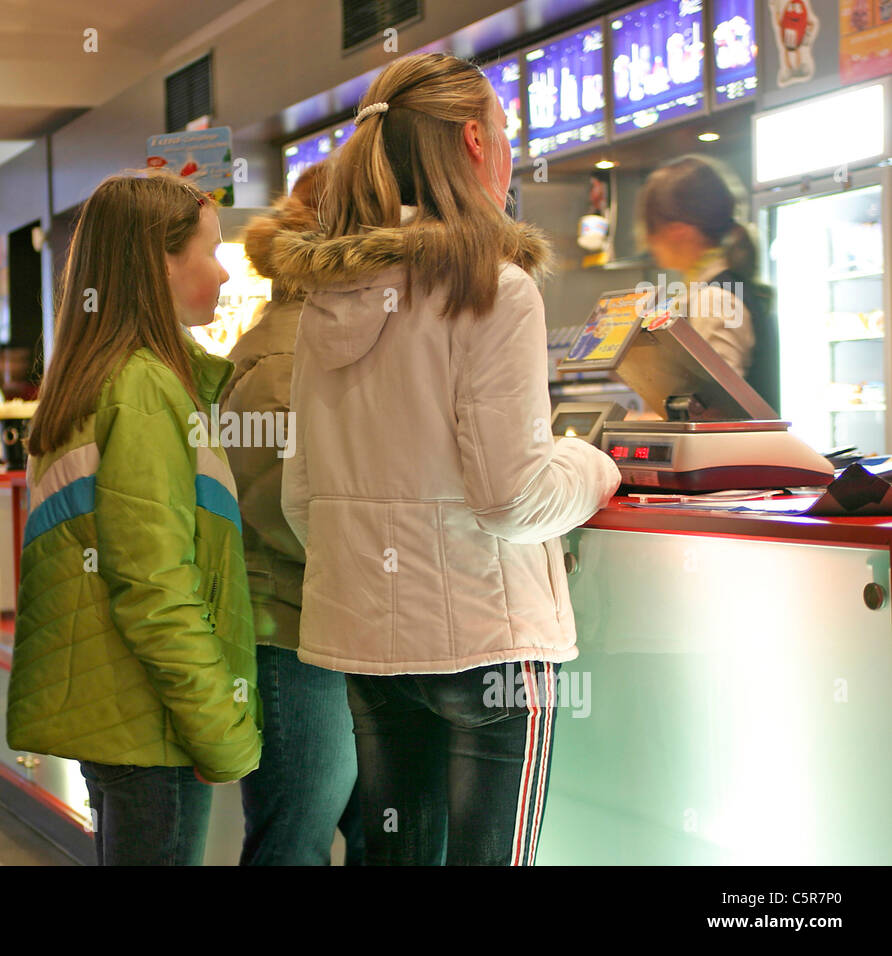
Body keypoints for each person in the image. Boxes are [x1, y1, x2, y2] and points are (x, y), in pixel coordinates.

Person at [267, 52, 621, 866]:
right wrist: (592, 465)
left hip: (363, 639)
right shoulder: (495, 287)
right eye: (505, 131)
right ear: (472, 139)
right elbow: (513, 496)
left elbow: (301, 497)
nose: (507, 149)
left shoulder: (332, 294)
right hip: (487, 642)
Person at [6, 172, 261, 866]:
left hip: (120, 712)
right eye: (210, 250)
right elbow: (155, 586)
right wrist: (220, 727)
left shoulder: (101, 376)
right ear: (159, 262)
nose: (224, 270)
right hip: (154, 720)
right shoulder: (145, 390)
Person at [224, 161, 364, 865]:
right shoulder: (286, 359)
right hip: (290, 635)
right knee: (293, 843)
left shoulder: (312, 342)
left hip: (318, 628)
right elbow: (290, 509)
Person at [639, 155, 781, 413]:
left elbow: (719, 407)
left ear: (678, 231)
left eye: (649, 229)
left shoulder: (715, 297)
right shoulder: (709, 289)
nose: (647, 242)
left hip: (741, 454)